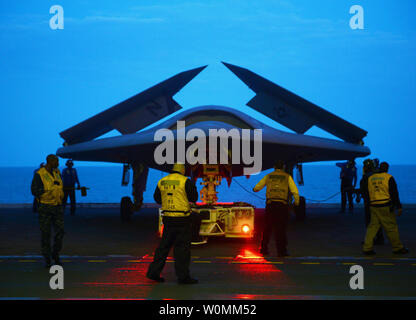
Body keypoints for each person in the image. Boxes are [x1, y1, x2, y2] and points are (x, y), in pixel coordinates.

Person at [146, 163, 199, 284]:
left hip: (168, 219)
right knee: (182, 250)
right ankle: (183, 277)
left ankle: (153, 273)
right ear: (183, 170)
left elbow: (157, 199)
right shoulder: (185, 181)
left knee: (163, 248)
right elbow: (194, 198)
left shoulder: (162, 181)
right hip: (182, 219)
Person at [253, 160, 300, 257]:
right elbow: (295, 191)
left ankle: (263, 249)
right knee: (281, 229)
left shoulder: (269, 176)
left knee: (267, 228)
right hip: (282, 206)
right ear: (283, 167)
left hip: (271, 205)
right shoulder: (287, 177)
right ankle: (282, 251)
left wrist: (255, 189)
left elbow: (257, 188)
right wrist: (296, 202)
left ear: (274, 167)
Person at [362, 162, 409, 255]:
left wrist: (368, 205)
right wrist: (399, 206)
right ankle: (397, 248)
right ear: (387, 168)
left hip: (373, 206)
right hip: (385, 206)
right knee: (391, 227)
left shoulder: (371, 178)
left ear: (379, 167)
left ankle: (367, 248)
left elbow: (367, 193)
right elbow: (394, 193)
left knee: (372, 228)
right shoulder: (389, 177)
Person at [31, 154, 65, 267]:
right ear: (50, 162)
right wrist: (48, 191)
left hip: (57, 206)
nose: (58, 164)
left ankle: (55, 254)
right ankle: (47, 258)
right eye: (56, 161)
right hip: (45, 207)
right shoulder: (39, 174)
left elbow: (60, 187)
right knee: (46, 233)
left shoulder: (57, 173)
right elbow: (34, 190)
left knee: (60, 232)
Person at [359, 159, 384, 245]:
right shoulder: (377, 175)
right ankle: (380, 238)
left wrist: (358, 192)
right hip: (378, 201)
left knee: (369, 222)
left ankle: (370, 240)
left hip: (369, 202)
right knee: (377, 221)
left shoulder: (366, 177)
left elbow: (364, 189)